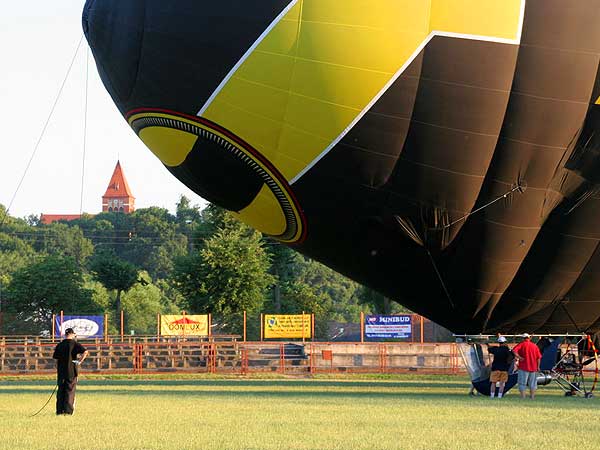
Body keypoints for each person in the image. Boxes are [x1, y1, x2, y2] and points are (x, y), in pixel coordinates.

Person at [52, 328, 88, 415]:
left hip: (61, 372)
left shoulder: (60, 345)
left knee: (61, 391)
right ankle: (68, 411)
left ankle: (60, 410)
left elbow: (55, 359)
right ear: (72, 334)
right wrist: (80, 361)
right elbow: (85, 352)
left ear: (65, 334)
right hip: (71, 371)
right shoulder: (74, 344)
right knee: (70, 391)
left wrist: (58, 368)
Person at [512, 333, 542, 399]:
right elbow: (539, 357)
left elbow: (514, 351)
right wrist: (538, 366)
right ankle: (532, 397)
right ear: (529, 338)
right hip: (534, 368)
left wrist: (519, 357)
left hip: (523, 367)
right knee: (533, 384)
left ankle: (523, 397)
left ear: (523, 338)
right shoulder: (534, 346)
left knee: (522, 383)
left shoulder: (521, 344)